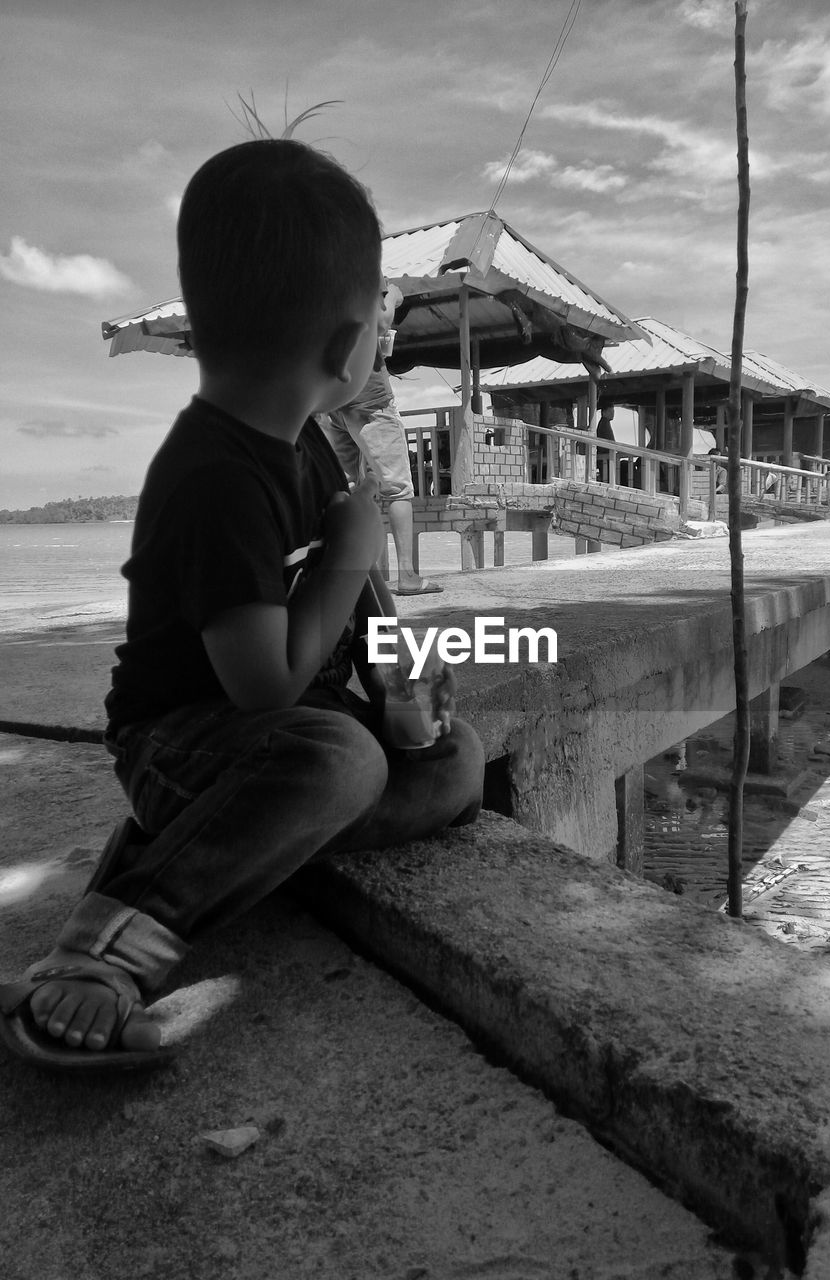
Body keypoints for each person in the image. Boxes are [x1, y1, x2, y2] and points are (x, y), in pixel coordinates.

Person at [0, 138, 484, 1072]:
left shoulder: (312, 444)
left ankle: (221, 844)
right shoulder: (212, 474)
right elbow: (261, 687)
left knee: (451, 763)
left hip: (277, 734)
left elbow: (355, 613)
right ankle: (102, 956)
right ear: (348, 349)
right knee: (337, 760)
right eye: (377, 330)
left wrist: (401, 680)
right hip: (181, 738)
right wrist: (348, 555)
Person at [319, 282, 442, 596]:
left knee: (354, 487)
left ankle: (357, 577)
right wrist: (396, 296)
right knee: (398, 488)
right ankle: (408, 577)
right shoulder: (362, 265)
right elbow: (382, 320)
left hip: (334, 399)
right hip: (371, 399)